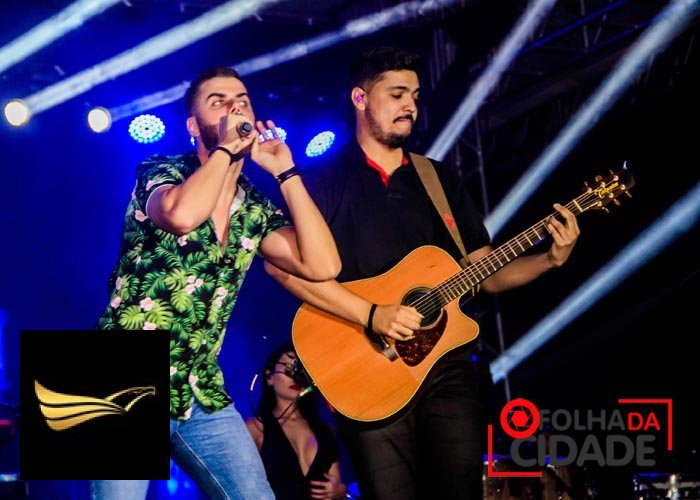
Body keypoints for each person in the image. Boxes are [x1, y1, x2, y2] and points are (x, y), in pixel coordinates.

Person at [264, 47, 580, 499]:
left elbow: (486, 273)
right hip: (363, 368)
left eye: (414, 95)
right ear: (360, 98)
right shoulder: (320, 181)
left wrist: (550, 259)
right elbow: (281, 268)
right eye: (396, 94)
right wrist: (372, 314)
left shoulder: (438, 179)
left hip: (447, 369)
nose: (410, 105)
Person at [93, 66, 341, 499]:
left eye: (242, 100)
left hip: (201, 383)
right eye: (219, 102)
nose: (235, 108)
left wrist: (286, 172)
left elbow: (324, 265)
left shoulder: (254, 207)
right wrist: (226, 148)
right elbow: (181, 215)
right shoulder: (160, 169)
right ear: (193, 126)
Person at [246, 344, 347, 500]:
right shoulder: (255, 428)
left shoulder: (325, 428)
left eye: (300, 370)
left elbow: (336, 481)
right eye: (288, 368)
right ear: (269, 377)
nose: (295, 376)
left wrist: (339, 490)